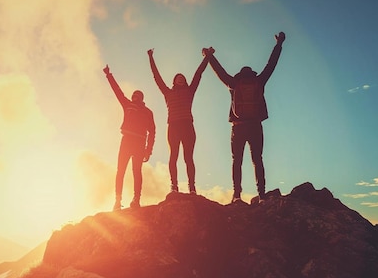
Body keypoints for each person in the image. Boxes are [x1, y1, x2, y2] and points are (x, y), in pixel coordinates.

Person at [204, 32, 286, 203]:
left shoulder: (233, 83)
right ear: (252, 74)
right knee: (258, 159)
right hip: (255, 125)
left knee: (237, 161)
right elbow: (272, 64)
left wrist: (210, 56)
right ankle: (262, 195)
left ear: (240, 75)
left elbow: (220, 71)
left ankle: (236, 196)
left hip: (238, 126)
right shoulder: (259, 81)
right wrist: (279, 44)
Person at [148, 48, 211, 194]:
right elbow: (156, 77)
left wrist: (207, 57)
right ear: (174, 81)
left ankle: (192, 187)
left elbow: (198, 74)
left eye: (183, 77)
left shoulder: (190, 91)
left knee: (188, 157)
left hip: (188, 126)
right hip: (173, 127)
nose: (181, 78)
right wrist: (151, 58)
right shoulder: (168, 92)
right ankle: (174, 186)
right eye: (178, 77)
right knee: (173, 156)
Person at [103, 64, 156, 211]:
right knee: (120, 171)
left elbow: (152, 131)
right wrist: (109, 75)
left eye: (138, 95)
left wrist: (148, 150)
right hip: (126, 141)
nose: (135, 97)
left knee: (136, 171)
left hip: (139, 143)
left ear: (142, 98)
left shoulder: (147, 112)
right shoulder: (127, 105)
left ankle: (136, 199)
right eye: (134, 95)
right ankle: (117, 200)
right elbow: (117, 91)